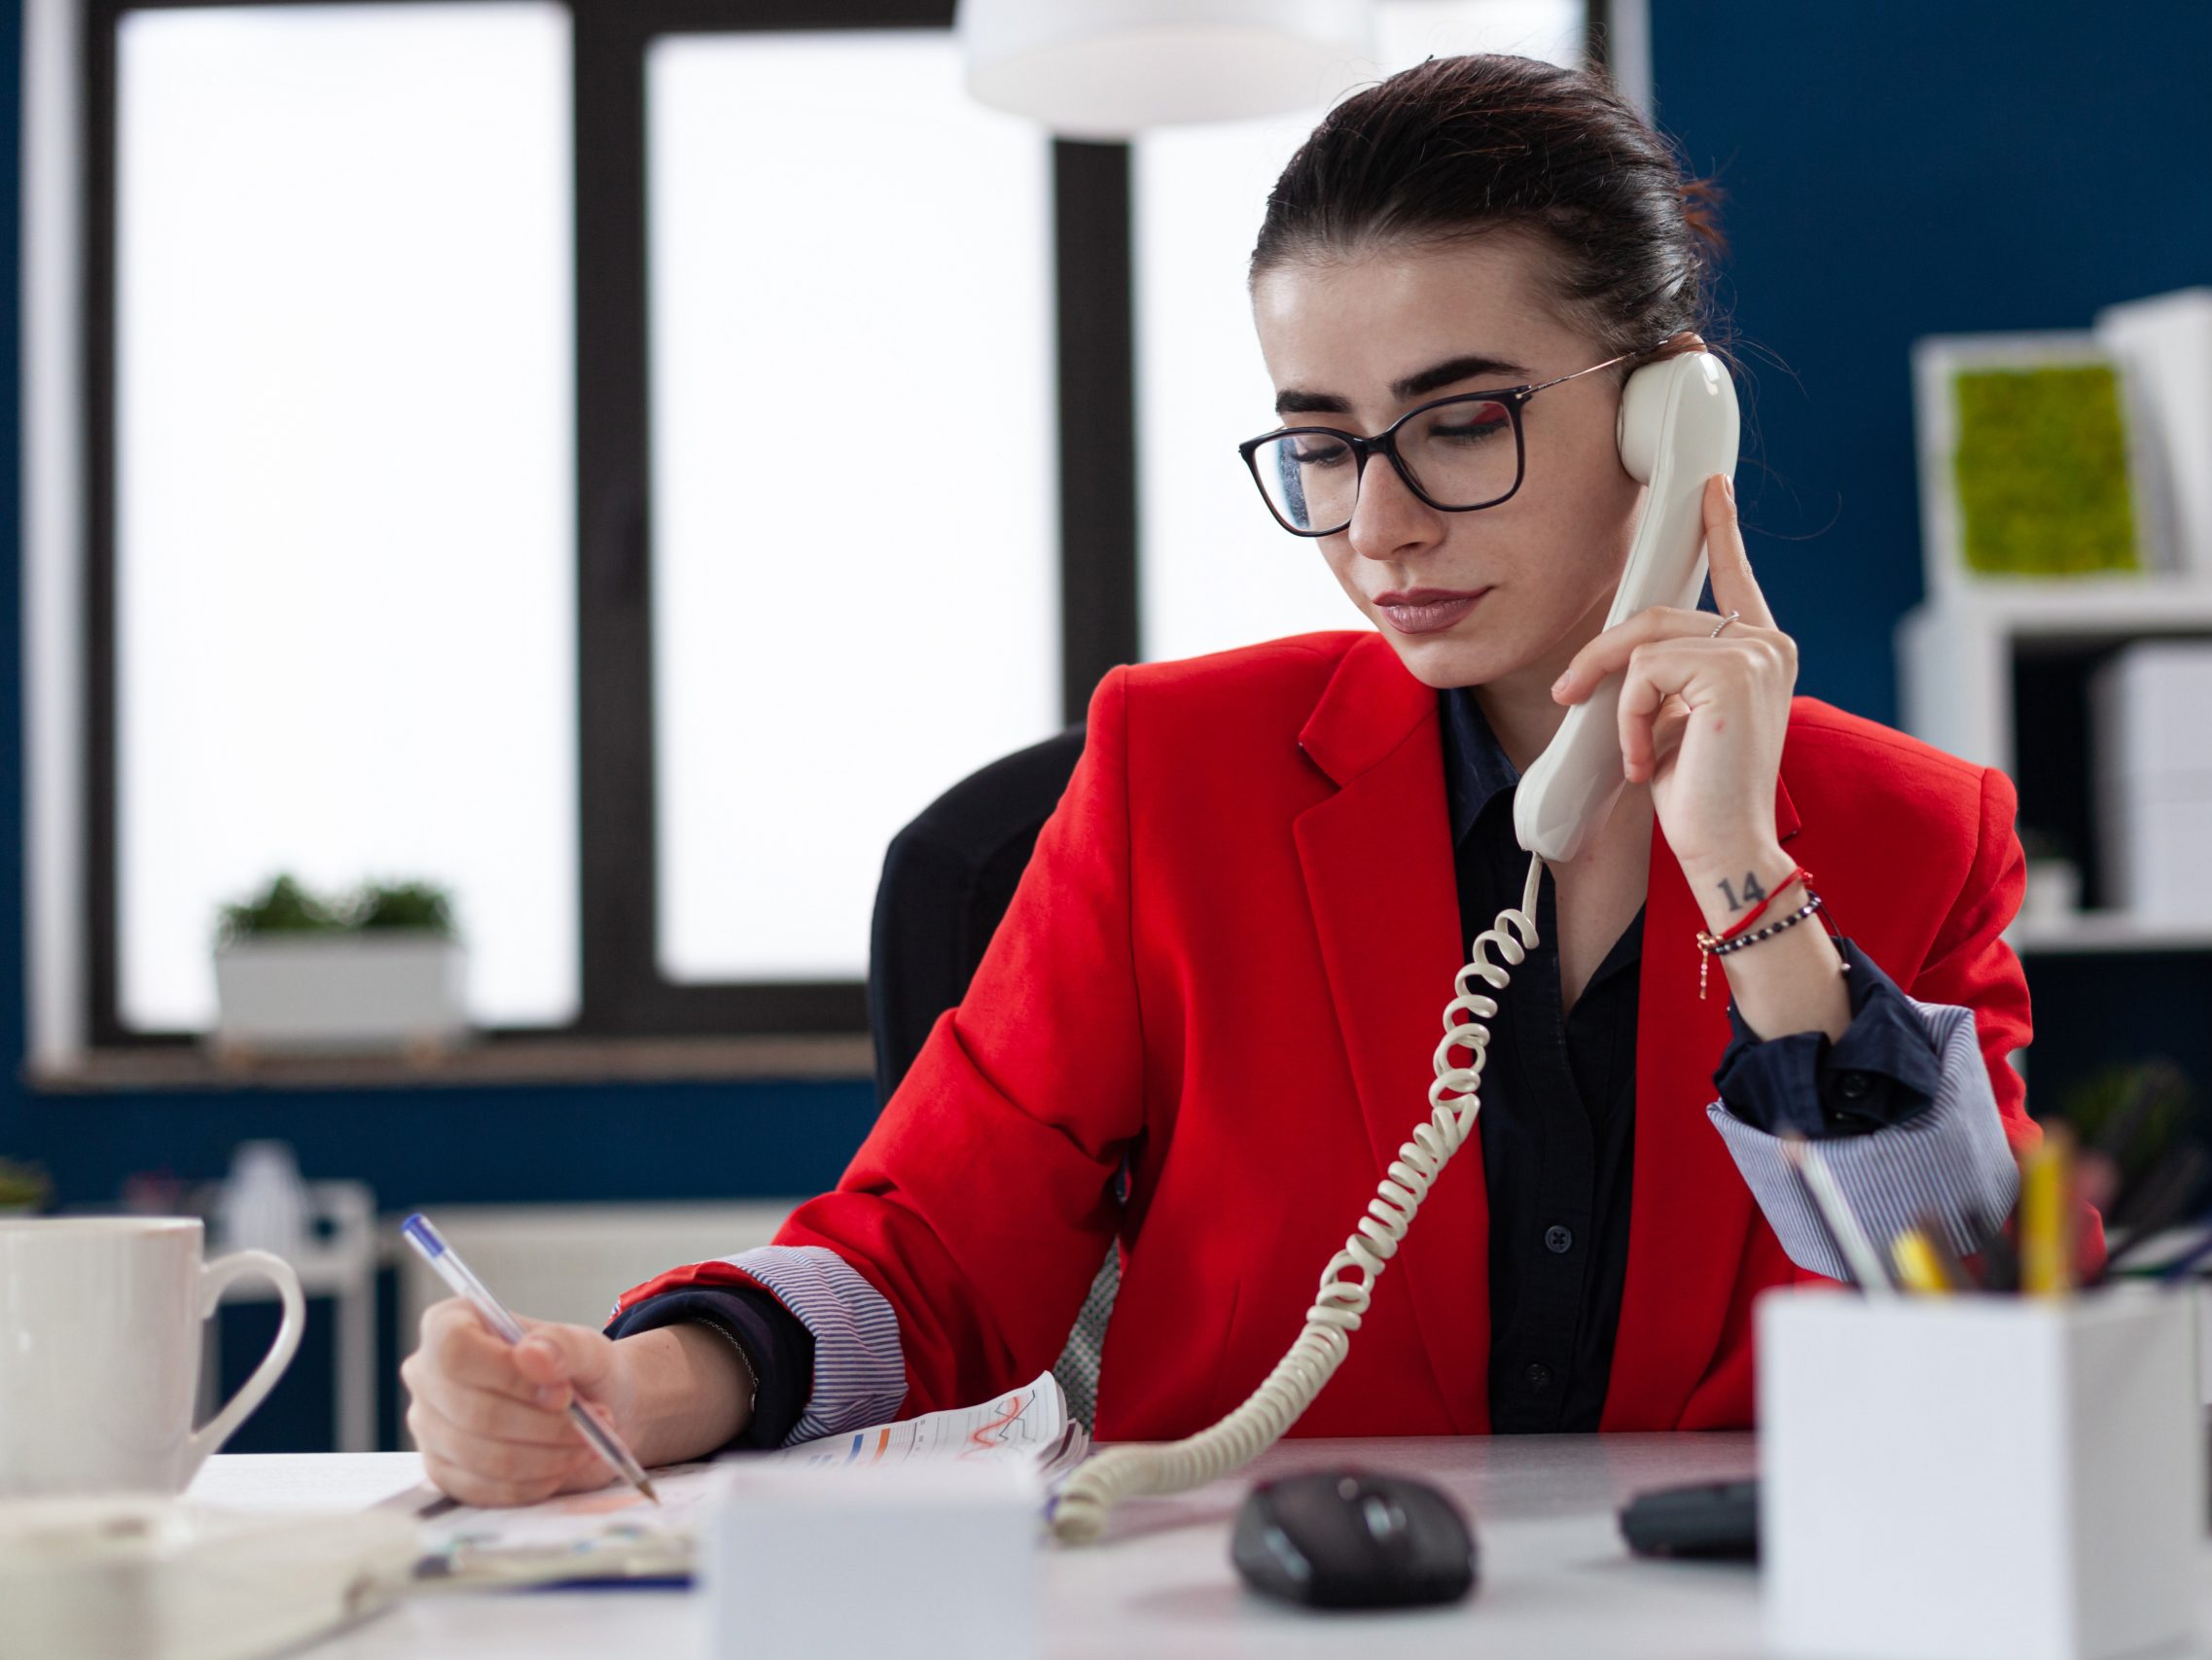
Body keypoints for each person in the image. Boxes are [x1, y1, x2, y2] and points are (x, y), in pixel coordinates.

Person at [402, 53, 2098, 1507]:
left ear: (1668, 419)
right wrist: (637, 1389)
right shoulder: (1178, 773)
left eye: (1458, 420)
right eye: (1322, 439)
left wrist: (1747, 880)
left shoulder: (1909, 832)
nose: (1378, 525)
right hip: (1250, 1603)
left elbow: (1992, 1337)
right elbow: (931, 1250)